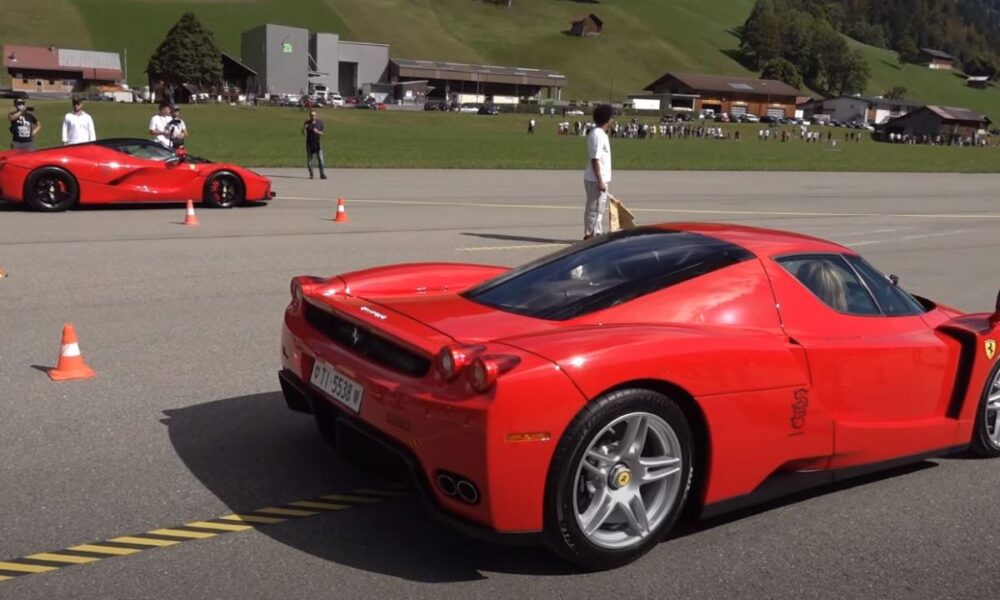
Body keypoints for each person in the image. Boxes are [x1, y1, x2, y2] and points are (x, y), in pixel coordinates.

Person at [583, 104, 614, 240]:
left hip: (599, 177)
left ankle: (596, 233)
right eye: (611, 117)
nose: (613, 120)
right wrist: (600, 180)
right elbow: (595, 159)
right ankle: (591, 235)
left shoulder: (600, 134)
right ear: (607, 119)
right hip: (596, 179)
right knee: (595, 209)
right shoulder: (598, 135)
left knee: (599, 209)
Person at [302, 110, 327, 179]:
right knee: (310, 160)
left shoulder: (320, 123)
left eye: (314, 115)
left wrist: (317, 131)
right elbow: (303, 133)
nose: (313, 116)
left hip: (317, 144)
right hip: (309, 144)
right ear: (310, 116)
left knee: (321, 159)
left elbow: (322, 133)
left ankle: (322, 174)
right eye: (312, 115)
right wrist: (304, 128)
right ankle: (311, 174)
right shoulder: (307, 123)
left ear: (316, 116)